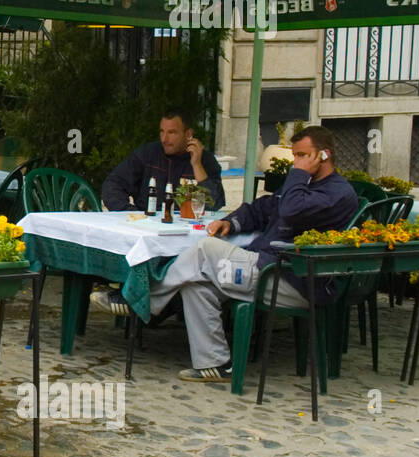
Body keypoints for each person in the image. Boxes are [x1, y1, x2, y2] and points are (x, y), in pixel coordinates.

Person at [91, 126, 360, 382]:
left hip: (293, 280)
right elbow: (265, 207)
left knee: (205, 249)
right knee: (196, 284)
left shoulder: (337, 193)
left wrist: (298, 175)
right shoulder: (301, 185)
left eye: (302, 156)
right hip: (265, 269)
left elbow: (291, 210)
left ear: (323, 155)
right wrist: (231, 222)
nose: (295, 163)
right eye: (295, 156)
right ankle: (214, 364)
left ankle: (140, 299)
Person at [102, 110, 225, 212]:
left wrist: (197, 165)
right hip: (145, 226)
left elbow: (214, 204)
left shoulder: (205, 160)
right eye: (162, 131)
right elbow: (112, 184)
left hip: (186, 230)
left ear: (188, 134)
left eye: (172, 132)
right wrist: (130, 212)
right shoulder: (148, 153)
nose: (165, 139)